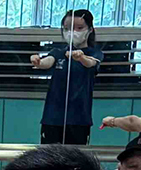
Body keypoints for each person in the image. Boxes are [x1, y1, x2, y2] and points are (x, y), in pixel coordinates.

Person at [31, 10, 104, 145]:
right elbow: (48, 61)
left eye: (79, 28)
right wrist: (38, 62)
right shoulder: (59, 52)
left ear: (90, 30)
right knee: (49, 159)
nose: (72, 32)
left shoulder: (95, 53)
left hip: (78, 120)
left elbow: (91, 63)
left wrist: (81, 57)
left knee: (75, 159)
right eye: (67, 28)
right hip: (53, 118)